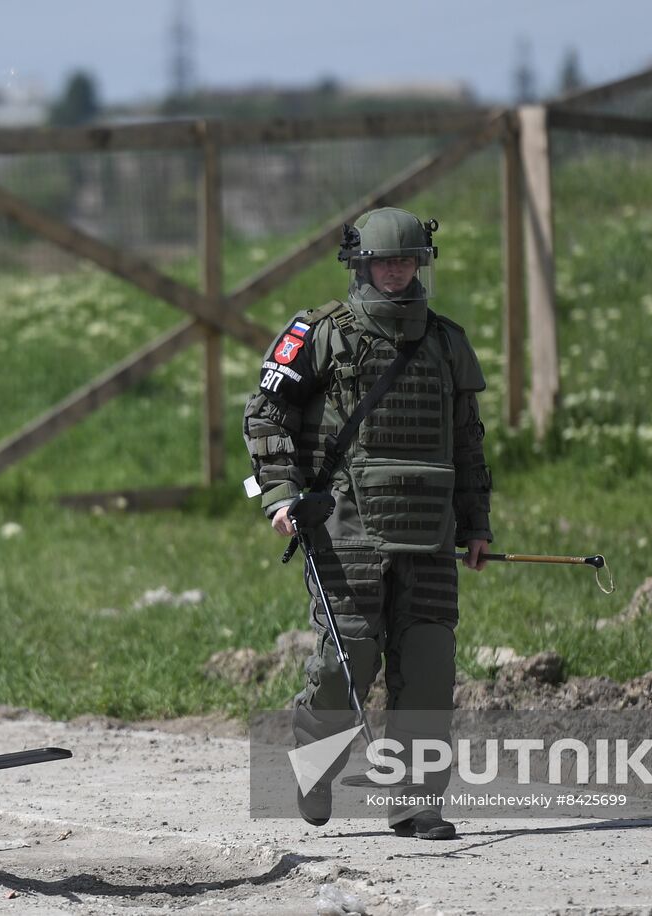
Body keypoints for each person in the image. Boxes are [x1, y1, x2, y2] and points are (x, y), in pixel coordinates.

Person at [241, 207, 493, 840]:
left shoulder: (445, 342)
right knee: (345, 663)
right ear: (359, 263)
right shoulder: (320, 333)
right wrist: (280, 494)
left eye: (406, 261)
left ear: (421, 264)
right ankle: (315, 765)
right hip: (345, 525)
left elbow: (467, 442)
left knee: (430, 663)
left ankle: (415, 801)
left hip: (428, 530)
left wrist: (477, 524)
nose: (396, 271)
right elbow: (266, 413)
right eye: (384, 261)